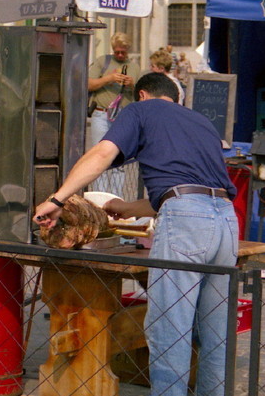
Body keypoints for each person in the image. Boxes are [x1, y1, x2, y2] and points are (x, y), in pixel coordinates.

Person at [34, 73, 238, 396]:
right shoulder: (201, 122)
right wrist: (129, 208)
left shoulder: (140, 110)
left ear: (142, 94)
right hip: (226, 221)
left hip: (187, 222)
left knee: (170, 330)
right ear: (176, 97)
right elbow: (191, 192)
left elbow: (102, 154)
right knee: (216, 334)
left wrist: (57, 199)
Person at [87, 32, 141, 196]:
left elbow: (141, 94)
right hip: (101, 115)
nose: (119, 55)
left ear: (128, 50)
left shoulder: (134, 67)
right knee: (99, 156)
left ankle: (116, 197)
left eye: (122, 52)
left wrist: (132, 84)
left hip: (123, 116)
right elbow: (88, 84)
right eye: (116, 51)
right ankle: (99, 196)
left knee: (120, 158)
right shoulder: (103, 61)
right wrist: (109, 79)